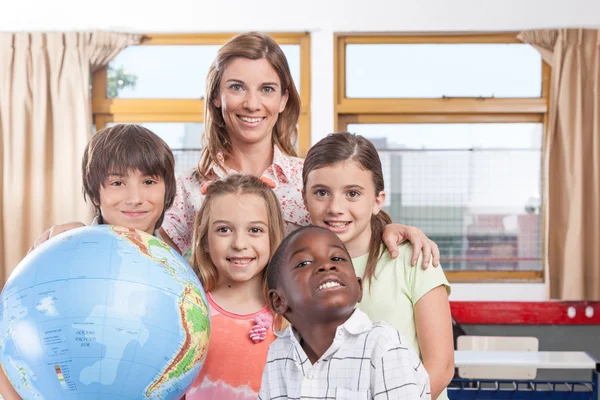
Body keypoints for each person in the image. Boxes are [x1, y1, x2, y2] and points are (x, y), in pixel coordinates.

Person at [30, 32, 441, 267]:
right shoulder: (187, 193)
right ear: (216, 99)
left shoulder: (311, 183)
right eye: (236, 88)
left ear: (283, 100)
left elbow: (351, 229)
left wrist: (390, 227)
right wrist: (82, 231)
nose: (251, 103)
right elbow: (140, 250)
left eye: (267, 89)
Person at [1, 123, 177, 400]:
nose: (135, 198)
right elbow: (16, 340)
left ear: (167, 191)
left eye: (149, 181)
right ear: (96, 192)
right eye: (118, 183)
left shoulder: (181, 275)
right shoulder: (57, 254)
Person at [302, 132, 454, 399]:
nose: (336, 207)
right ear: (305, 198)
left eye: (353, 193)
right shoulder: (297, 271)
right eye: (322, 192)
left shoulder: (414, 259)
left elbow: (440, 368)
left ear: (377, 201)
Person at [259, 225, 431, 399]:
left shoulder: (382, 345)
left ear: (358, 288)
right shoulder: (278, 353)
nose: (327, 265)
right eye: (304, 263)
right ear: (279, 301)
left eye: (337, 258)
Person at [184, 174, 287, 400]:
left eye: (255, 230)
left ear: (273, 237)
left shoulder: (291, 315)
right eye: (224, 230)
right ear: (205, 241)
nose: (239, 244)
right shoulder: (188, 309)